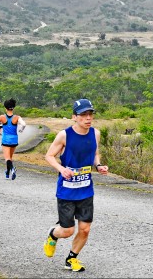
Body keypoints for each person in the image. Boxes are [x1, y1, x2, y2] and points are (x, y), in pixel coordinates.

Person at [43, 98, 108, 272]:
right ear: (74, 117)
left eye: (90, 114)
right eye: (83, 115)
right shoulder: (64, 135)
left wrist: (98, 165)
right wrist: (61, 169)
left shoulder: (95, 133)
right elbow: (49, 156)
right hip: (67, 191)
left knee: (85, 229)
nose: (88, 118)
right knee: (67, 231)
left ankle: (71, 259)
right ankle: (53, 234)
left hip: (86, 189)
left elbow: (95, 152)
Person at [0, 98, 26, 180]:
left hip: (6, 140)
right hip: (14, 139)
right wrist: (21, 130)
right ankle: (7, 173)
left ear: (5, 107)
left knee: (7, 158)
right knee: (10, 158)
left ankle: (12, 170)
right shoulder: (17, 117)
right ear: (13, 107)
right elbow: (24, 124)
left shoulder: (1, 117)